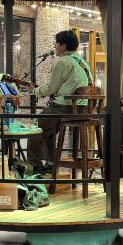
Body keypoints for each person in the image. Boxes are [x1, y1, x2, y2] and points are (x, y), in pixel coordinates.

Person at [27, 30, 93, 172]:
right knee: (48, 130)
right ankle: (51, 164)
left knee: (34, 128)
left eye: (56, 44)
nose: (55, 47)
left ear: (63, 46)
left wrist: (35, 91)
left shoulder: (62, 61)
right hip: (83, 110)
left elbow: (51, 88)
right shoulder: (83, 63)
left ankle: (35, 166)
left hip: (65, 108)